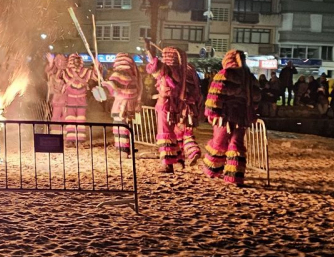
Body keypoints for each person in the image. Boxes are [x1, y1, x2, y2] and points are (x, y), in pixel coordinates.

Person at [203, 50, 261, 187]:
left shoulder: (225, 73)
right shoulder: (250, 77)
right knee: (236, 144)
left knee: (219, 142)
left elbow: (215, 94)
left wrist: (212, 113)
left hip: (225, 115)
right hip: (242, 116)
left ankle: (213, 170)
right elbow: (257, 98)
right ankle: (235, 176)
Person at [146, 43, 202, 172]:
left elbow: (154, 68)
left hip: (166, 105)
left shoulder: (169, 70)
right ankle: (180, 159)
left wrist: (149, 53)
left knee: (165, 134)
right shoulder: (182, 71)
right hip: (177, 106)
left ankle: (167, 164)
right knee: (178, 133)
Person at [101, 52, 140, 154]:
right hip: (126, 106)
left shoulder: (119, 75)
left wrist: (109, 86)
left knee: (121, 128)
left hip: (121, 106)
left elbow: (115, 91)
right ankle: (125, 148)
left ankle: (124, 149)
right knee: (124, 127)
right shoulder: (133, 77)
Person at [58, 54, 98, 145]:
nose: (76, 63)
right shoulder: (65, 72)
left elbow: (96, 76)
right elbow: (58, 79)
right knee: (70, 119)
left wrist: (96, 65)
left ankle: (80, 139)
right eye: (74, 61)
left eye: (78, 60)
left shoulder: (86, 71)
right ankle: (71, 139)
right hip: (70, 99)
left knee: (81, 119)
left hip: (81, 99)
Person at [44, 53, 68, 123]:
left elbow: (67, 80)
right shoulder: (54, 70)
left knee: (65, 113)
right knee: (56, 113)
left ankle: (66, 127)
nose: (59, 63)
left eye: (61, 61)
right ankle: (55, 127)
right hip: (55, 95)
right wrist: (51, 63)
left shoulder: (66, 70)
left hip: (64, 95)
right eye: (58, 61)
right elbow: (48, 73)